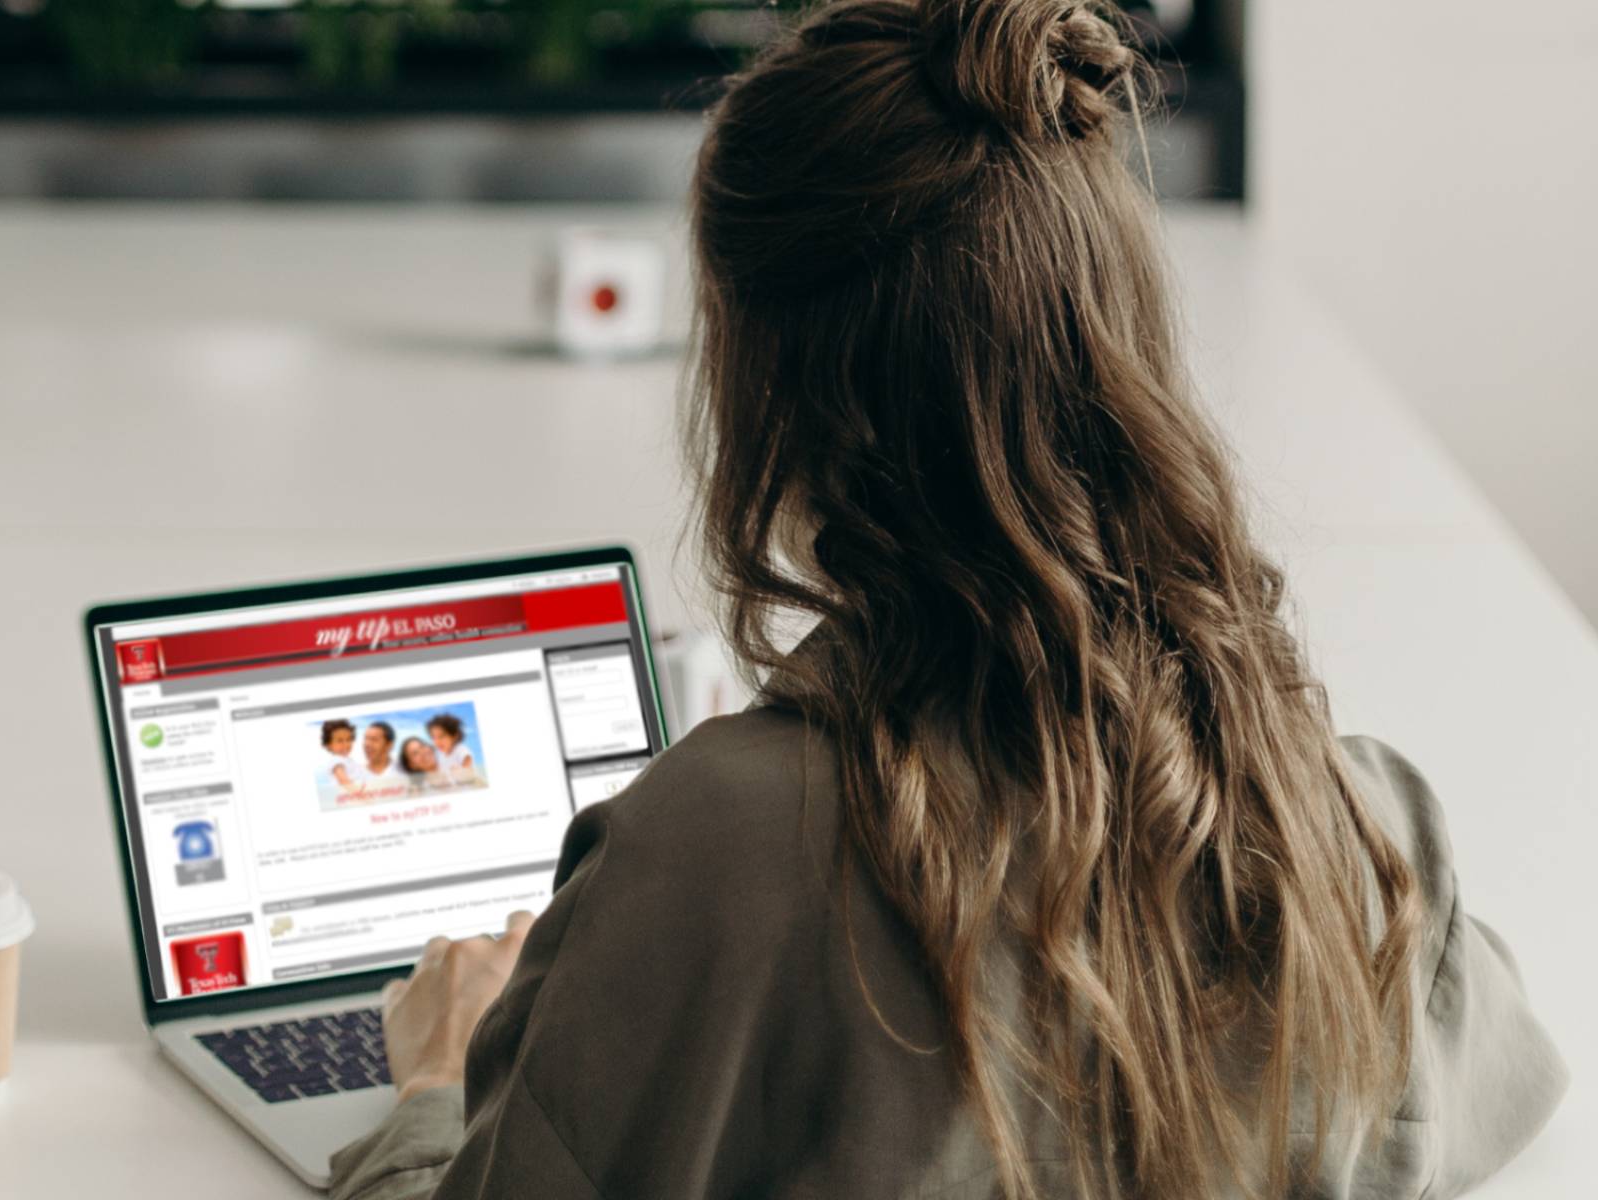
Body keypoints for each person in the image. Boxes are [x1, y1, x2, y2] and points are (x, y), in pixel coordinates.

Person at [331, 2, 1569, 1197]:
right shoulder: (1355, 834)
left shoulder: (709, 861)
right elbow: (1489, 1106)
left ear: (768, 393)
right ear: (1121, 350)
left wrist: (437, 1081)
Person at [358, 721, 409, 801]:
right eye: (366, 739)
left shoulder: (405, 770)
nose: (367, 744)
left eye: (374, 740)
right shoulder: (355, 774)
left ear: (389, 745)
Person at [425, 713, 481, 785]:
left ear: (454, 736)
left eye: (441, 736)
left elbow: (467, 760)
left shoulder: (460, 749)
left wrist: (462, 771)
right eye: (433, 737)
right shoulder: (439, 753)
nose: (437, 741)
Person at [317, 718, 362, 801]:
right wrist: (361, 796)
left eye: (349, 739)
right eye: (340, 741)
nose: (346, 744)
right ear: (329, 745)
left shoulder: (347, 760)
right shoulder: (337, 761)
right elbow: (344, 781)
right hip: (350, 797)